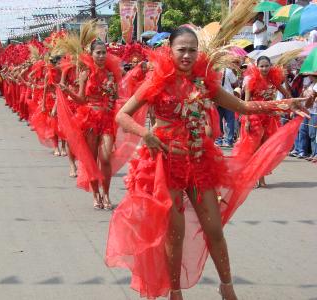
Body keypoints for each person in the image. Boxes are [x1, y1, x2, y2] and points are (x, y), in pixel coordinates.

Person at [105, 27, 307, 300]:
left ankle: (227, 286)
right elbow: (122, 115)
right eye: (182, 49)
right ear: (170, 50)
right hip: (165, 165)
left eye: (192, 50)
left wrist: (284, 105)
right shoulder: (157, 81)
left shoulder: (204, 82)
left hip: (199, 162)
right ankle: (175, 292)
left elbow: (243, 107)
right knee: (174, 235)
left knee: (214, 229)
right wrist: (146, 134)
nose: (187, 55)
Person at [59, 39, 122, 210]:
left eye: (104, 52)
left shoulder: (111, 73)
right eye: (98, 52)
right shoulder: (85, 73)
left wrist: (110, 98)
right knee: (91, 160)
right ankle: (96, 195)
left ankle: (107, 194)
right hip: (89, 119)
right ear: (92, 54)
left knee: (106, 158)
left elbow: (116, 97)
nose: (101, 56)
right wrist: (68, 91)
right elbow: (81, 100)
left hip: (107, 118)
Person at [233, 56, 291, 188]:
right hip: (254, 118)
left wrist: (280, 106)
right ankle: (250, 179)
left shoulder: (273, 80)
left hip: (269, 119)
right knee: (253, 150)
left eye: (266, 66)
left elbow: (286, 94)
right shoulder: (251, 81)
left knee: (264, 150)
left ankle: (261, 179)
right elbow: (246, 103)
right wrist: (247, 120)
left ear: (270, 66)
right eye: (261, 66)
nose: (264, 68)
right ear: (256, 67)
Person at [215, 67, 238, 147]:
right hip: (228, 98)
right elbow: (235, 83)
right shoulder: (228, 70)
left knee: (218, 120)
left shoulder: (212, 70)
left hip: (217, 98)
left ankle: (218, 141)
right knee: (230, 120)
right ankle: (229, 141)